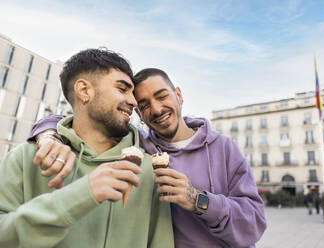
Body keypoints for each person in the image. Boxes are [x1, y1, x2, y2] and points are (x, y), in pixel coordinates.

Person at [29, 68, 266, 247]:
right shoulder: (137, 144)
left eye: (162, 96)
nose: (156, 109)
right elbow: (71, 120)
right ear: (139, 113)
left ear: (178, 95)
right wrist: (48, 136)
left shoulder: (224, 148)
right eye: (144, 105)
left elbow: (254, 224)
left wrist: (197, 200)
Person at [0, 49, 173, 247]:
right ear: (84, 91)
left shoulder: (151, 171)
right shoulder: (26, 158)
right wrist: (81, 194)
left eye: (132, 93)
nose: (134, 102)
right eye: (122, 89)